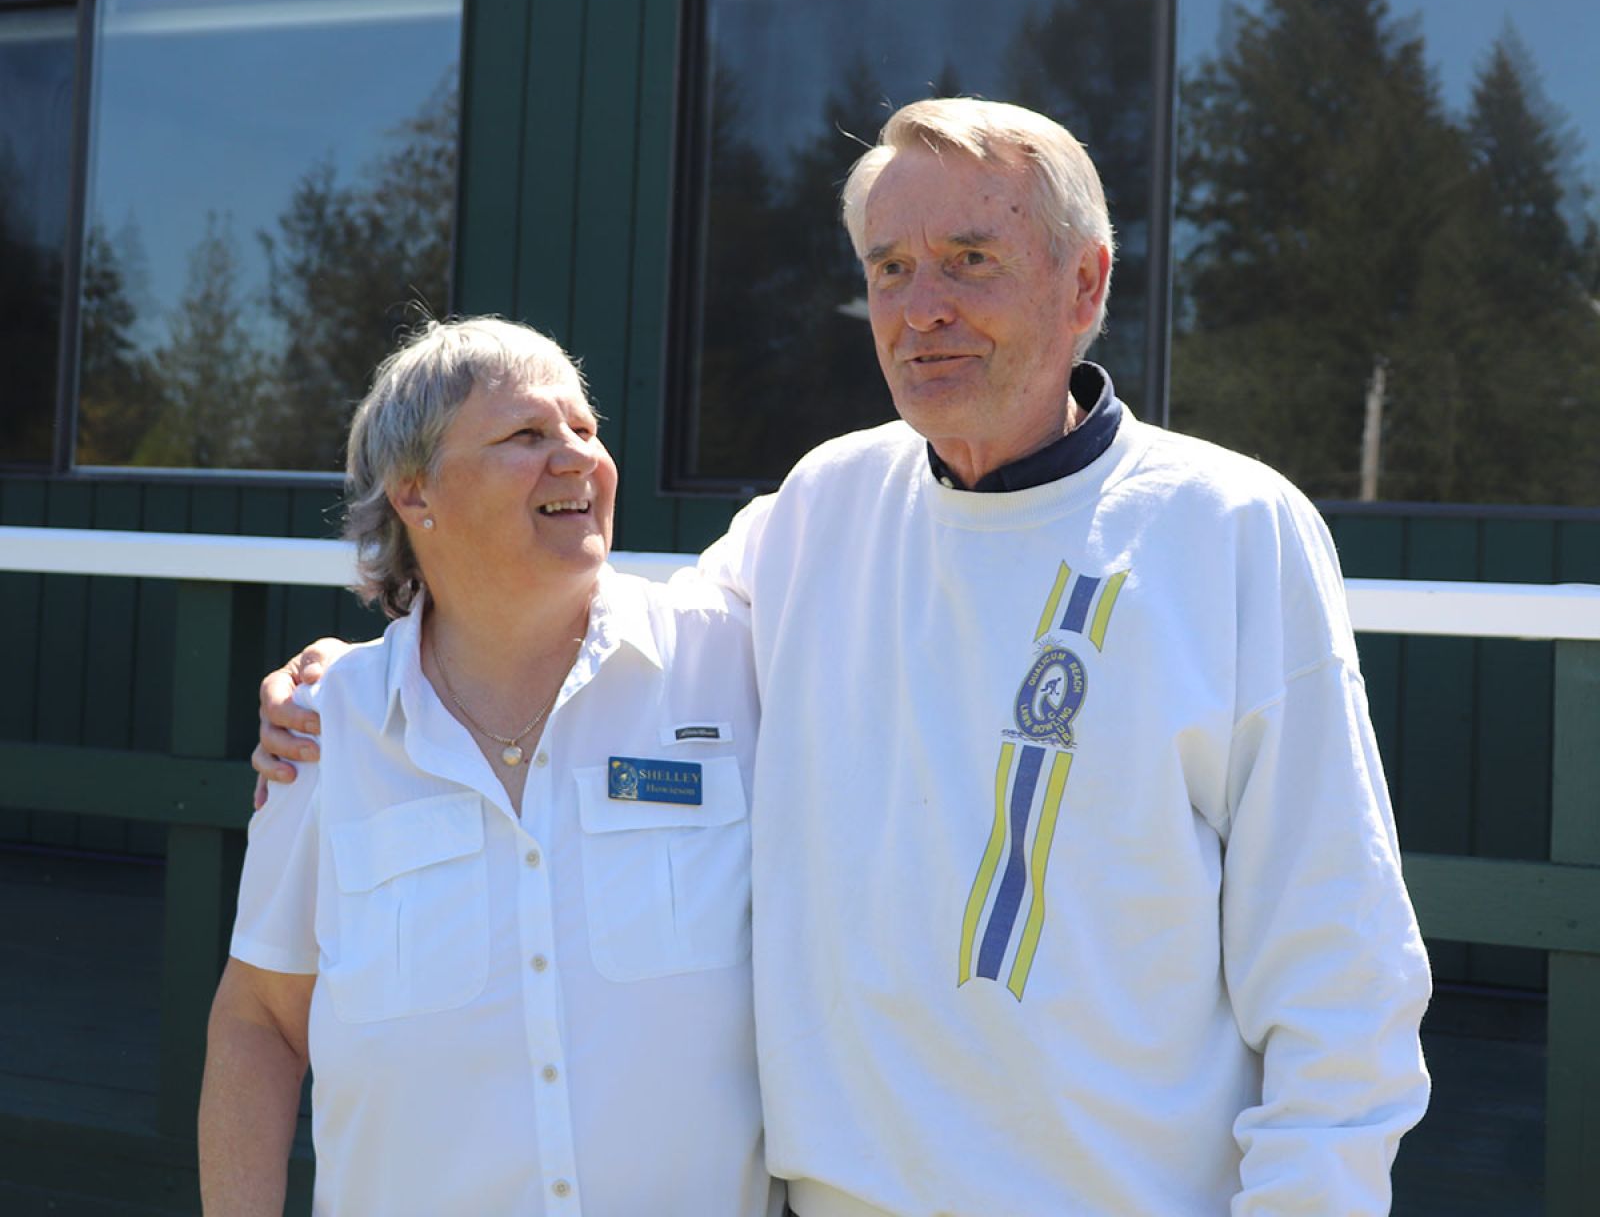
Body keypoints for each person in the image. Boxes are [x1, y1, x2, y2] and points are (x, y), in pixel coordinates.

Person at [259, 100, 1430, 1214]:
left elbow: (1342, 974)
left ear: (1085, 284)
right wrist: (367, 669)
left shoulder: (1228, 529)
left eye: (970, 258)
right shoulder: (822, 507)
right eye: (888, 268)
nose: (920, 306)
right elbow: (578, 632)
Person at [203, 317, 779, 1217]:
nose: (576, 457)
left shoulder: (733, 664)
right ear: (414, 492)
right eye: (525, 436)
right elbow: (262, 1022)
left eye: (585, 431)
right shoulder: (328, 729)